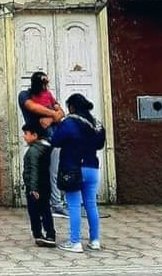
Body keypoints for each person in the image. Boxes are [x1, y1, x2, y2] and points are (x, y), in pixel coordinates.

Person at [51, 93, 106, 253]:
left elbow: (55, 141)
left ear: (72, 107)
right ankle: (94, 240)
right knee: (91, 204)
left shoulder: (69, 122)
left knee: (74, 206)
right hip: (92, 168)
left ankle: (75, 242)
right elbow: (100, 145)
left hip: (73, 168)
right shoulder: (96, 123)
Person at [18, 71, 67, 216]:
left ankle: (56, 204)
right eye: (44, 83)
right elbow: (33, 107)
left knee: (54, 172)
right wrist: (53, 114)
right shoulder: (25, 95)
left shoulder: (49, 95)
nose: (46, 86)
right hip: (38, 140)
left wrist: (51, 118)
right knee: (36, 173)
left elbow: (61, 112)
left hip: (54, 138)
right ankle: (41, 204)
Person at [22, 122, 56, 247]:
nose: (24, 136)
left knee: (34, 212)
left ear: (35, 135)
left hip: (34, 187)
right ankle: (50, 234)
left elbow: (34, 169)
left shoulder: (33, 151)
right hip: (45, 184)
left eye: (26, 133)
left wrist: (33, 189)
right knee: (46, 210)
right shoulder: (45, 147)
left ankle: (38, 234)